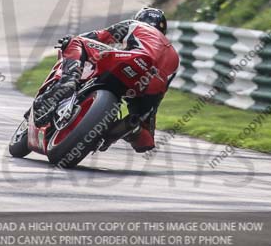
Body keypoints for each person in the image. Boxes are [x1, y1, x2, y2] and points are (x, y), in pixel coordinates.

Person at [34, 8, 179, 152]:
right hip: (151, 85)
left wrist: (67, 42)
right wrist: (143, 125)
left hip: (130, 60)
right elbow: (156, 99)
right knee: (144, 135)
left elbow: (98, 36)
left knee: (76, 41)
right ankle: (121, 130)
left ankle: (68, 81)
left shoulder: (135, 25)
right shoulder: (174, 56)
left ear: (139, 18)